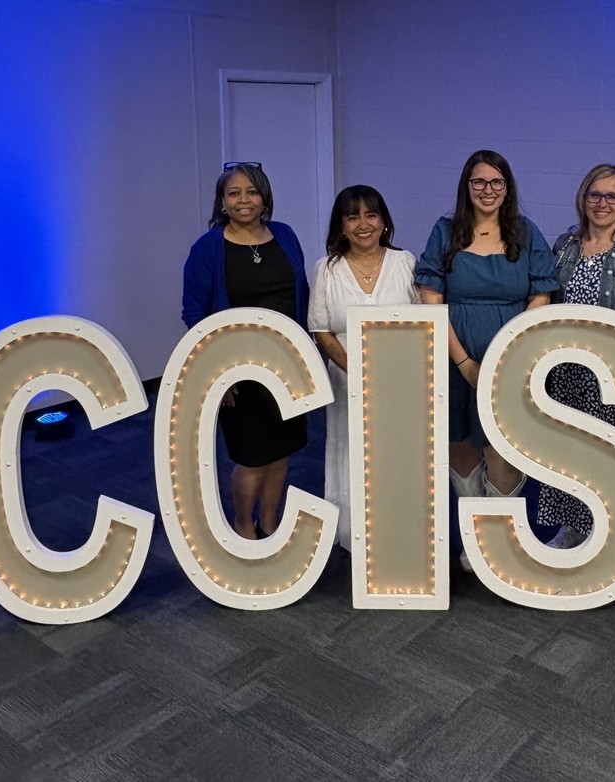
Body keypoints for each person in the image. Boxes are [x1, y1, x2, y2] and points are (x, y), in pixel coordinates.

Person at [415, 149, 558, 571]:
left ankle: (499, 542)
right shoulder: (445, 232)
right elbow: (430, 300)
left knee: (504, 446)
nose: (488, 190)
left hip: (512, 359)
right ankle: (474, 538)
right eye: (479, 182)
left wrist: (508, 357)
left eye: (496, 182)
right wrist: (463, 363)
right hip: (454, 356)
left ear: (507, 188)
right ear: (466, 187)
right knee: (461, 443)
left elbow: (541, 294)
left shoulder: (525, 232)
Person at [182, 162, 310, 540]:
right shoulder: (208, 248)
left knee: (282, 453)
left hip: (287, 366)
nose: (243, 200)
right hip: (238, 372)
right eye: (233, 193)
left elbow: (299, 293)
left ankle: (269, 520)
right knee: (251, 457)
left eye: (251, 192)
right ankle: (242, 523)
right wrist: (217, 367)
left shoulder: (285, 235)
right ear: (222, 202)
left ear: (264, 197)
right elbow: (194, 313)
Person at [538, 163, 615, 549]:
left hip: (614, 377)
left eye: (613, 196)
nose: (603, 203)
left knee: (611, 462)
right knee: (568, 457)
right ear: (583, 198)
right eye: (595, 194)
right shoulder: (564, 246)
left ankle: (611, 542)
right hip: (565, 375)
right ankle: (572, 532)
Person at [308, 185, 419, 552]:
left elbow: (422, 323)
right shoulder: (326, 269)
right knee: (352, 448)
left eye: (371, 215)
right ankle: (354, 534)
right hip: (347, 377)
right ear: (341, 225)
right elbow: (321, 329)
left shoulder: (406, 263)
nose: (362, 224)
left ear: (384, 221)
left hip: (399, 379)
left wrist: (391, 374)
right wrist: (359, 372)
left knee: (396, 451)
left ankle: (396, 528)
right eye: (352, 216)